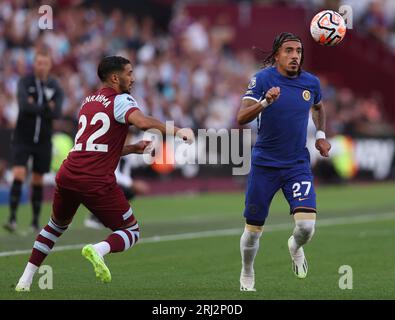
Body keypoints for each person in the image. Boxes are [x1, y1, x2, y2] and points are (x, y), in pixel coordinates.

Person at [15, 56, 193, 292]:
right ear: (114, 78)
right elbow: (141, 122)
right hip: (95, 179)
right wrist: (178, 130)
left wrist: (132, 149)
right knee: (131, 231)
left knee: (55, 227)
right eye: (129, 73)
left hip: (68, 174)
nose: (133, 78)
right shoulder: (120, 100)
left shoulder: (88, 101)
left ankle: (24, 281)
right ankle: (99, 249)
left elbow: (96, 146)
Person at [236, 32, 331, 291]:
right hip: (265, 164)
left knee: (306, 228)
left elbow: (319, 108)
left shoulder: (311, 83)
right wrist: (266, 101)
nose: (294, 56)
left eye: (298, 51)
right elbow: (241, 117)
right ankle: (247, 272)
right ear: (277, 54)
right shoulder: (262, 79)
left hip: (296, 165)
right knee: (253, 230)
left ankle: (295, 246)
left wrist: (321, 136)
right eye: (288, 51)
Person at [4, 50, 64, 233]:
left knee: (37, 179)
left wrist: (36, 106)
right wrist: (46, 107)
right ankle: (12, 218)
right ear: (34, 64)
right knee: (19, 174)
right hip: (23, 137)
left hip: (44, 140)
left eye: (45, 63)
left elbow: (57, 113)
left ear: (50, 65)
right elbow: (24, 106)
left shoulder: (55, 86)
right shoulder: (25, 82)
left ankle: (35, 221)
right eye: (39, 63)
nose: (42, 66)